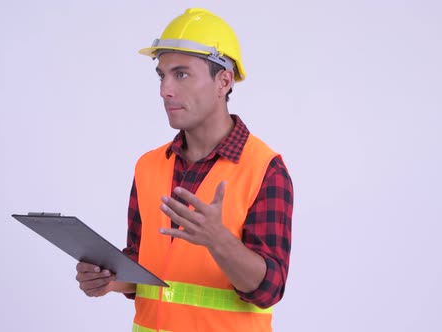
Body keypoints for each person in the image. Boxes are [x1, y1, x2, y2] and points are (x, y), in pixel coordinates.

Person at [75, 8, 293, 332]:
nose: (165, 90)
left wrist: (219, 241)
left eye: (181, 74)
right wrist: (110, 279)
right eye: (161, 75)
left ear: (223, 81)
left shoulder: (265, 170)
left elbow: (269, 289)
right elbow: (145, 266)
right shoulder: (148, 166)